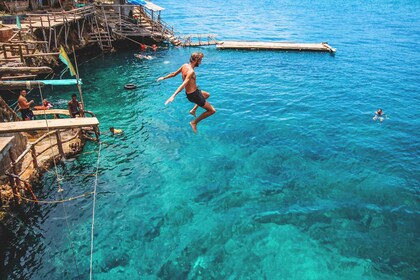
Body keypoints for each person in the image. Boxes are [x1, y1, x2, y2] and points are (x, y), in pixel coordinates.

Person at [157, 52, 216, 133]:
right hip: (194, 95)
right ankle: (194, 122)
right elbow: (184, 83)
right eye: (200, 60)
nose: (201, 62)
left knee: (207, 94)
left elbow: (174, 74)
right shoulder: (191, 71)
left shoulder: (184, 65)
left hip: (193, 93)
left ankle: (193, 110)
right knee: (212, 111)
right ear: (196, 60)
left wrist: (164, 77)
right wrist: (173, 95)